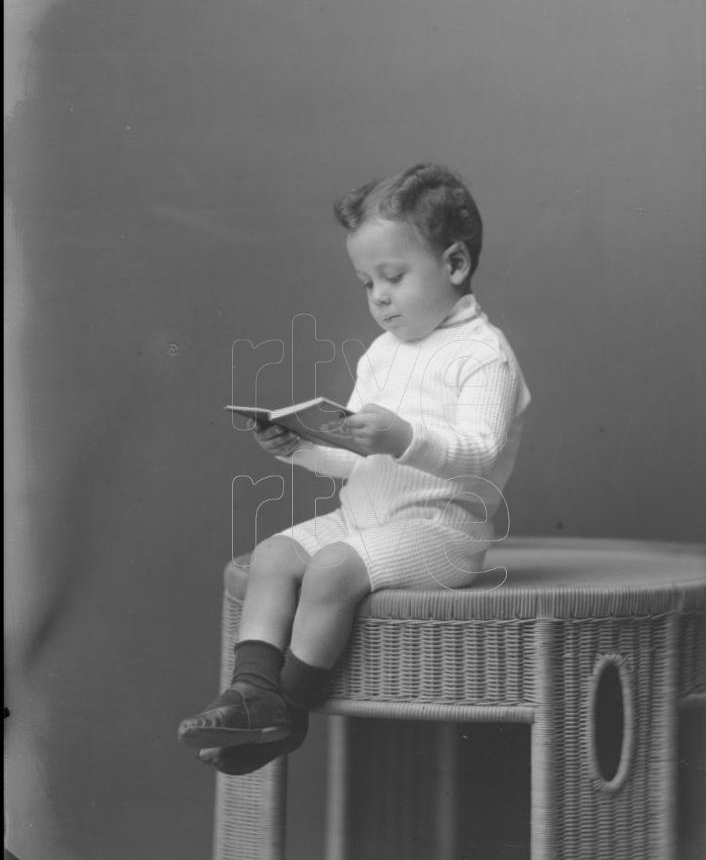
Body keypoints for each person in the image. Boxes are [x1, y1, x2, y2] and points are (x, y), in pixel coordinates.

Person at [178, 162, 531, 775]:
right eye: (366, 283)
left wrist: (403, 435)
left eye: (393, 277)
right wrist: (301, 448)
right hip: (365, 517)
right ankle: (252, 693)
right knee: (274, 555)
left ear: (453, 265)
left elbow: (477, 450)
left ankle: (288, 712)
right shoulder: (382, 353)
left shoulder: (484, 356)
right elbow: (359, 458)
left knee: (333, 569)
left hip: (440, 533)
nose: (380, 298)